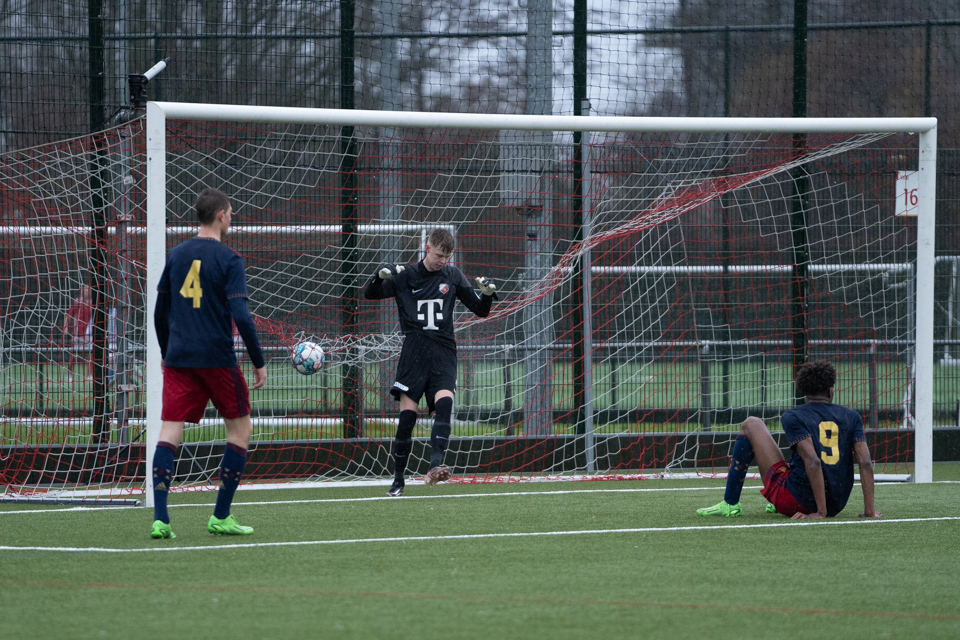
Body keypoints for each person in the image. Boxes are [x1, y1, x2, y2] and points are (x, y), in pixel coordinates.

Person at [150, 187, 267, 539]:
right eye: (231, 213)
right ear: (220, 216)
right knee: (240, 430)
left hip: (179, 358)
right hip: (216, 358)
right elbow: (242, 317)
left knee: (169, 432)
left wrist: (166, 352)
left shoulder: (176, 254)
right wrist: (258, 361)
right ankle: (220, 515)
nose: (232, 218)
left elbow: (159, 312)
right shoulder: (230, 259)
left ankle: (160, 519)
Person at [365, 228, 497, 497]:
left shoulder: (452, 275)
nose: (441, 261)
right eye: (438, 255)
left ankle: (435, 467)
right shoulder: (406, 275)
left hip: (444, 352)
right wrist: (378, 276)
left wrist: (486, 294)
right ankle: (398, 481)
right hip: (414, 353)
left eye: (446, 257)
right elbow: (371, 294)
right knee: (407, 419)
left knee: (445, 403)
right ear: (427, 248)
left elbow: (481, 310)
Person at [697, 360, 882, 520]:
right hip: (837, 504)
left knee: (751, 424)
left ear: (804, 391)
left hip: (799, 502)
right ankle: (782, 503)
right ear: (830, 391)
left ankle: (730, 503)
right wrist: (870, 511)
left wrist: (820, 513)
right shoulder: (852, 416)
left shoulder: (793, 416)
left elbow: (813, 461)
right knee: (800, 458)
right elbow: (865, 462)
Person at [63, 284, 93, 382]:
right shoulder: (77, 301)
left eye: (87, 290)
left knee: (90, 354)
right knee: (73, 354)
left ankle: (89, 375)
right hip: (77, 333)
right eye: (84, 290)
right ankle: (70, 375)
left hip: (88, 333)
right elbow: (69, 315)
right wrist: (66, 327)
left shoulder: (92, 303)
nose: (85, 292)